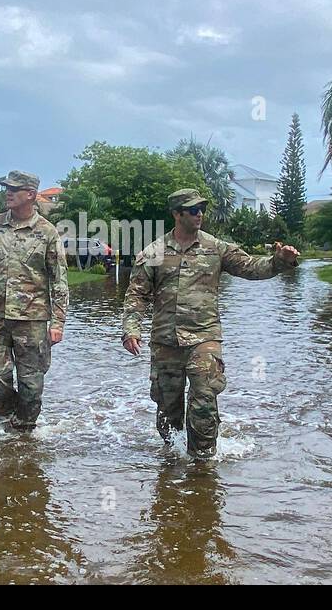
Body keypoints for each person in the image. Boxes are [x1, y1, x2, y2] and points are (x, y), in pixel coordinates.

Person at [121, 188, 299, 459]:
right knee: (167, 409)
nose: (199, 214)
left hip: (204, 337)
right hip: (165, 341)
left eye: (201, 209)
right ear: (177, 214)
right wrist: (131, 329)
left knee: (204, 398)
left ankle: (203, 465)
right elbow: (136, 295)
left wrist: (279, 261)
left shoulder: (215, 248)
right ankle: (172, 460)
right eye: (193, 210)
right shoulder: (154, 252)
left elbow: (251, 267)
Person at [0, 170, 69, 431]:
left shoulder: (47, 233)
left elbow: (59, 280)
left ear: (30, 195)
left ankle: (24, 434)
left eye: (14, 189)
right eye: (6, 187)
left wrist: (58, 322)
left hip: (32, 320)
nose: (7, 192)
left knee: (31, 386)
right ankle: (7, 428)